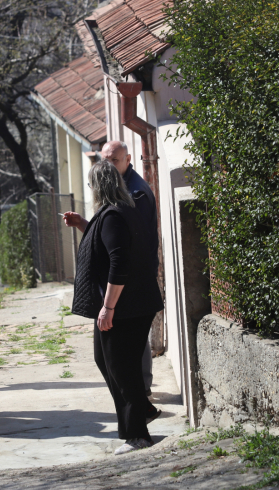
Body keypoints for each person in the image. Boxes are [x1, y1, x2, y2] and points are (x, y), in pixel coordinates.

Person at [70, 160, 164, 455]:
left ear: (97, 187)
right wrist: (82, 224)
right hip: (132, 303)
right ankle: (143, 410)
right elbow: (105, 241)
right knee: (106, 360)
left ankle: (137, 435)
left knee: (123, 369)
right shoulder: (119, 211)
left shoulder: (114, 215)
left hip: (127, 307)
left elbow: (119, 263)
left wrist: (108, 307)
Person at [63, 141, 159, 397]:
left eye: (114, 160)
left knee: (128, 350)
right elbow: (111, 239)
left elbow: (124, 251)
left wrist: (108, 306)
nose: (109, 166)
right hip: (123, 283)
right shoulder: (118, 195)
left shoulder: (135, 194)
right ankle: (138, 399)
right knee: (111, 355)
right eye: (105, 160)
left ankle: (141, 396)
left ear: (128, 159)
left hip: (131, 283)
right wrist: (83, 224)